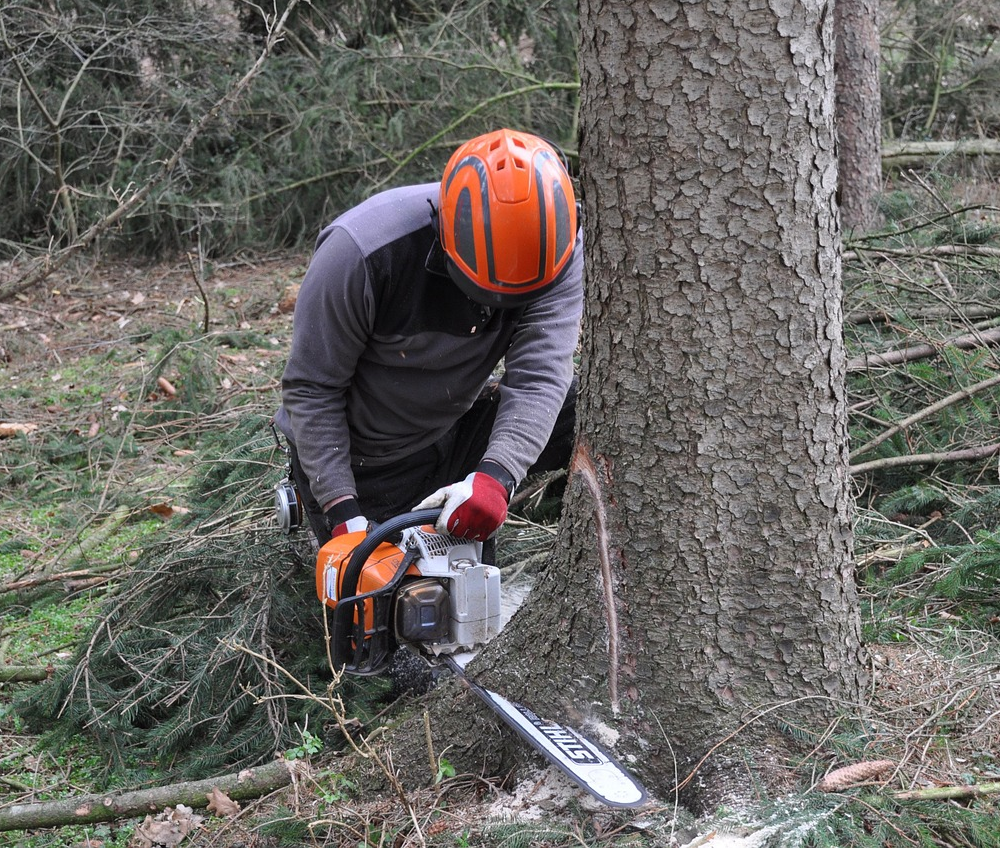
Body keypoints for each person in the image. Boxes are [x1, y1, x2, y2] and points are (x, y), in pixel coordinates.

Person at [272, 128, 583, 548]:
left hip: (456, 421)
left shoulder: (559, 245)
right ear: (445, 232)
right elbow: (313, 388)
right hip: (366, 458)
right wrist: (342, 509)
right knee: (402, 598)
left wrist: (497, 476)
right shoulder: (362, 252)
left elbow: (540, 374)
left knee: (589, 407)